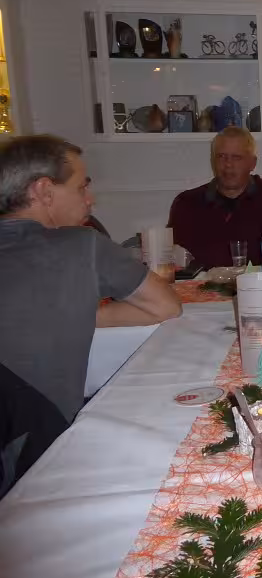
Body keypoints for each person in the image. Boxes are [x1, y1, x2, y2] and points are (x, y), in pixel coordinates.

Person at [0, 136, 181, 477]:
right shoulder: (80, 244)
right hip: (32, 459)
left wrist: (71, 313)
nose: (90, 198)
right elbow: (165, 306)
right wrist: (87, 314)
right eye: (81, 187)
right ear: (44, 191)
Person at [168, 127, 262, 268]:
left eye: (237, 157)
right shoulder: (187, 203)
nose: (228, 164)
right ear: (213, 161)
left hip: (260, 284)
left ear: (252, 163)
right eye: (221, 156)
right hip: (203, 286)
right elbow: (171, 260)